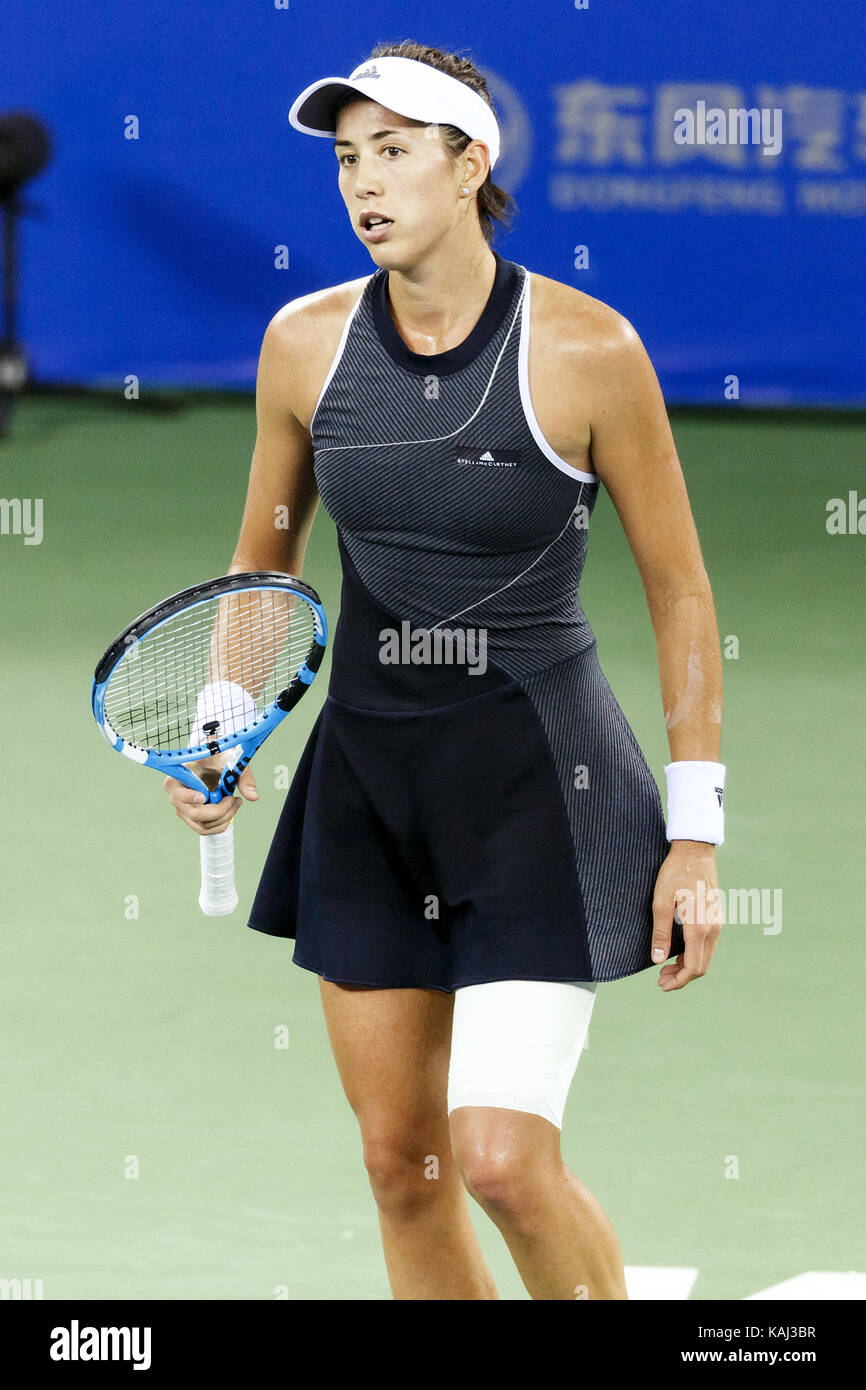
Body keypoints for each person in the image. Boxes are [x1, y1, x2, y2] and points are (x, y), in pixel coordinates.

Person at [164, 40, 725, 1300]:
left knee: (500, 1161)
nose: (364, 184)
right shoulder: (303, 345)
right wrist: (224, 717)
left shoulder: (587, 350)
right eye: (349, 158)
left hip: (538, 784)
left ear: (470, 165)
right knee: (399, 1164)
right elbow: (267, 568)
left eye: (396, 152)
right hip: (368, 784)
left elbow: (679, 591)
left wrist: (693, 834)